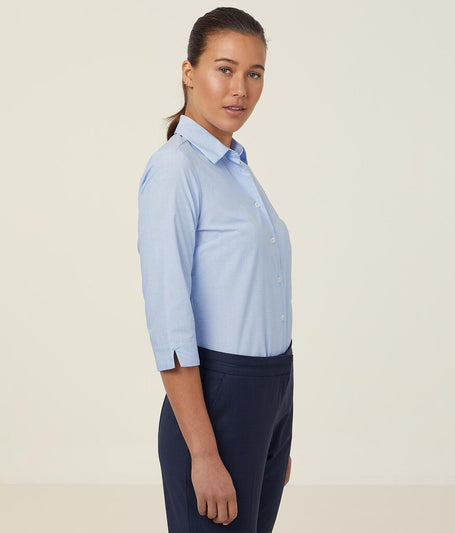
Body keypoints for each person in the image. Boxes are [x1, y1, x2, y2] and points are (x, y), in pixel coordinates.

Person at [136, 7, 294, 533]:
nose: (240, 89)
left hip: (269, 398)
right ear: (189, 72)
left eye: (255, 73)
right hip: (217, 404)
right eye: (225, 69)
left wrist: (275, 431)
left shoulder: (237, 170)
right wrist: (204, 454)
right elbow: (170, 323)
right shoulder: (176, 169)